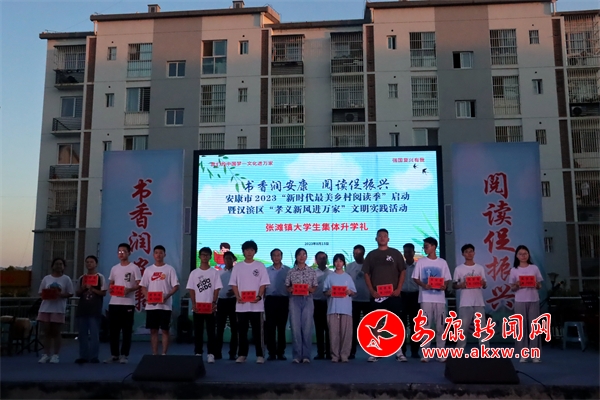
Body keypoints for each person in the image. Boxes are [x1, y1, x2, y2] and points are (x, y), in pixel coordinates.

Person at [362, 228, 407, 362]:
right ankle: (375, 351)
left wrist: (399, 288)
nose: (382, 238)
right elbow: (366, 274)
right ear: (376, 239)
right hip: (377, 296)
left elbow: (403, 271)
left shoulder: (395, 253)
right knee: (375, 324)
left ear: (388, 239)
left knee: (396, 323)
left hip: (393, 295)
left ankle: (399, 352)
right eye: (380, 236)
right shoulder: (371, 255)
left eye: (385, 236)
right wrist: (372, 291)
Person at [229, 240, 270, 364]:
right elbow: (233, 284)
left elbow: (263, 284)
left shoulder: (260, 266)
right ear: (243, 251)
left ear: (255, 251)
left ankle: (260, 355)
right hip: (241, 305)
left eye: (252, 250)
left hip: (256, 305)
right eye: (247, 250)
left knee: (258, 332)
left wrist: (259, 296)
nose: (249, 252)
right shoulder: (238, 266)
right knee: (242, 331)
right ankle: (242, 354)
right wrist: (237, 296)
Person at [412, 237, 452, 362]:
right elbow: (415, 277)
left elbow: (447, 278)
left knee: (440, 326)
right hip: (425, 298)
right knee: (425, 326)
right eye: (424, 246)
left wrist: (445, 286)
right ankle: (426, 354)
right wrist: (424, 285)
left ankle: (441, 353)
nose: (425, 248)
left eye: (427, 246)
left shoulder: (442, 262)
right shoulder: (421, 262)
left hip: (439, 299)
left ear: (434, 246)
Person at [105, 243, 141, 364]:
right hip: (114, 302)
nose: (121, 253)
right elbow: (111, 283)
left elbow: (139, 284)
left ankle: (124, 355)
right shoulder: (114, 268)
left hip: (128, 303)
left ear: (129, 253)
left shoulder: (134, 267)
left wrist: (129, 290)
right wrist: (110, 288)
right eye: (119, 251)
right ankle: (114, 354)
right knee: (113, 331)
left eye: (124, 251)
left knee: (126, 330)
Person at [140, 245, 180, 356]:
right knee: (153, 330)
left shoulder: (169, 269)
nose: (158, 255)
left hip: (165, 306)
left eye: (161, 253)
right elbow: (143, 286)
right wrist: (147, 297)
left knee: (165, 330)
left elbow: (176, 286)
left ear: (164, 254)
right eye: (156, 253)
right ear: (153, 255)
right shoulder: (148, 270)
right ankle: (154, 353)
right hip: (151, 306)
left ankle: (164, 353)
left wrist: (166, 296)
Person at [508, 245, 544, 363]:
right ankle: (523, 354)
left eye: (525, 254)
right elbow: (512, 288)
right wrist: (517, 285)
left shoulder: (534, 268)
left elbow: (540, 285)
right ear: (517, 256)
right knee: (521, 328)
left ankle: (535, 354)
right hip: (520, 300)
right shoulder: (514, 270)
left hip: (533, 299)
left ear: (528, 255)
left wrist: (536, 285)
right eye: (520, 254)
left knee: (534, 327)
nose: (523, 256)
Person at [187, 247, 222, 363]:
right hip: (198, 306)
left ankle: (211, 353)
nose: (205, 257)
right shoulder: (194, 273)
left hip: (210, 307)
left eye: (207, 255)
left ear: (210, 257)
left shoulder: (214, 272)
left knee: (211, 331)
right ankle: (198, 352)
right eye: (203, 255)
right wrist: (193, 303)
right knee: (198, 331)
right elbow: (191, 289)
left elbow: (217, 289)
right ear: (200, 256)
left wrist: (214, 302)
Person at [37, 257, 74, 364]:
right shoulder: (46, 278)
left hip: (58, 308)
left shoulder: (66, 279)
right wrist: (47, 293)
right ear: (52, 266)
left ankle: (55, 355)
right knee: (46, 331)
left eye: (60, 264)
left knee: (56, 332)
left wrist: (60, 294)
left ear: (64, 266)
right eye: (56, 264)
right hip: (46, 307)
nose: (58, 266)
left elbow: (70, 293)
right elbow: (40, 292)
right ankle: (46, 354)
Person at [285, 248, 318, 363]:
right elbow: (287, 286)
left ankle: (306, 356)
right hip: (294, 300)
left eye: (304, 254)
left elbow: (315, 286)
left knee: (307, 327)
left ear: (306, 257)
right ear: (296, 257)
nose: (302, 256)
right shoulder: (291, 271)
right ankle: (297, 355)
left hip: (307, 299)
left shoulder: (311, 271)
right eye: (299, 254)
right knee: (295, 328)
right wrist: (290, 289)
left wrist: (311, 289)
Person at [452, 244, 487, 349]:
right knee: (463, 329)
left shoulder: (480, 268)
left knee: (482, 328)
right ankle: (459, 351)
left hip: (479, 302)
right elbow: (454, 285)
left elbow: (485, 285)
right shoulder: (459, 269)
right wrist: (461, 285)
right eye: (466, 252)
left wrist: (483, 283)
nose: (469, 253)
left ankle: (484, 350)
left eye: (471, 251)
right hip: (465, 302)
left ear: (474, 253)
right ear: (463, 254)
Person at [324, 254, 356, 363]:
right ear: (334, 263)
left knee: (346, 333)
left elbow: (353, 292)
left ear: (343, 263)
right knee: (333, 333)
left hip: (345, 308)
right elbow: (325, 291)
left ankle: (344, 355)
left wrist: (349, 291)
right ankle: (335, 355)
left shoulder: (348, 277)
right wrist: (328, 292)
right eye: (336, 261)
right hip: (333, 308)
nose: (338, 263)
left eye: (340, 261)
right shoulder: (330, 277)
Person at [75, 255, 108, 364]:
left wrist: (92, 289)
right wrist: (83, 288)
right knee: (82, 335)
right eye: (87, 262)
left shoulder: (100, 277)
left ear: (96, 264)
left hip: (95, 310)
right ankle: (83, 356)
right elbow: (77, 293)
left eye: (91, 262)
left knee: (94, 335)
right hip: (82, 310)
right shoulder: (82, 278)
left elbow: (103, 293)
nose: (89, 264)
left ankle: (94, 356)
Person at [265, 248, 291, 360]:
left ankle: (281, 352)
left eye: (278, 255)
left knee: (281, 328)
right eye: (274, 255)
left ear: (281, 257)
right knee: (270, 327)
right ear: (271, 257)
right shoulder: (266, 270)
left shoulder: (288, 270)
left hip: (283, 300)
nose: (276, 257)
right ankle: (271, 352)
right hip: (270, 300)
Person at [345, 244, 370, 359]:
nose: (356, 255)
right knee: (353, 327)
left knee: (370, 327)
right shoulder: (349, 266)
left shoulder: (369, 265)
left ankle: (372, 351)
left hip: (368, 299)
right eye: (354, 253)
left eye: (358, 253)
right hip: (353, 300)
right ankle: (351, 351)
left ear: (363, 253)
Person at [216, 251, 238, 360]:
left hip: (234, 301)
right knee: (220, 328)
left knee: (235, 328)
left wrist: (234, 292)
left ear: (233, 260)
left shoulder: (237, 273)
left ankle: (232, 353)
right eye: (226, 259)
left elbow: (242, 285)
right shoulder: (219, 273)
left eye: (230, 258)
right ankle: (217, 352)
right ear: (223, 260)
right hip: (221, 301)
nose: (228, 261)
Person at [400, 243, 421, 359]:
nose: (407, 254)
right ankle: (402, 351)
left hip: (415, 296)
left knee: (415, 325)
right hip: (402, 296)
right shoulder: (400, 267)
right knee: (401, 325)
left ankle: (415, 351)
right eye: (405, 252)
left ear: (413, 252)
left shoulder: (418, 266)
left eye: (409, 252)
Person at [313, 251, 332, 360]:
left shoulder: (331, 273)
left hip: (329, 303)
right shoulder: (313, 273)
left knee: (329, 328)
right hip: (316, 303)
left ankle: (329, 352)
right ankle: (320, 352)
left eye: (324, 258)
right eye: (320, 258)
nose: (322, 260)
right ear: (316, 260)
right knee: (319, 328)